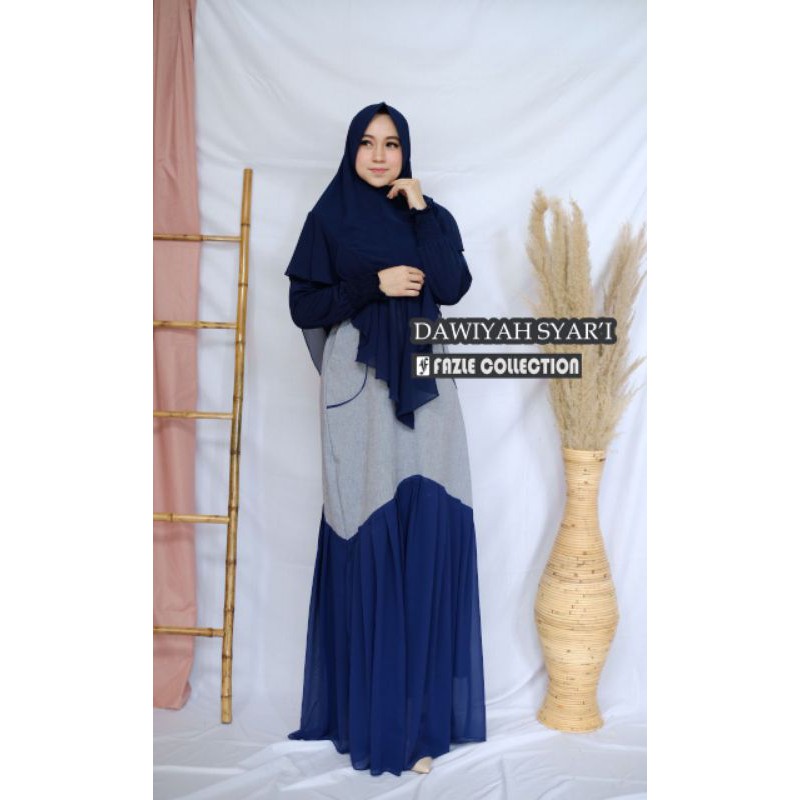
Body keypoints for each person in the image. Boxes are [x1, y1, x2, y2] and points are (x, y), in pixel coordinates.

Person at [284, 101, 486, 777]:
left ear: (405, 152)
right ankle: (372, 720)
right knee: (366, 525)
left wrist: (423, 211)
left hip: (428, 386)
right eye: (367, 143)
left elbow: (452, 286)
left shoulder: (431, 217)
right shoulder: (328, 219)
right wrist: (374, 284)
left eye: (391, 143)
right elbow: (305, 306)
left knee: (426, 525)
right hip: (360, 388)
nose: (379, 155)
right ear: (352, 150)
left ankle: (422, 725)